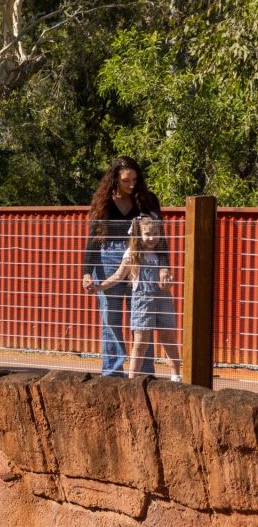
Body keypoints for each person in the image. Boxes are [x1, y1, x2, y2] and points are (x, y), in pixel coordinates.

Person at [81, 156, 170, 377]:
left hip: (140, 260)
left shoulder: (147, 200)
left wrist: (164, 266)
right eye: (125, 180)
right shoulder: (103, 202)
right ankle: (112, 374)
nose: (131, 185)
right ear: (115, 180)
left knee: (142, 318)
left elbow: (159, 235)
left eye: (135, 180)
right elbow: (93, 238)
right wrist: (86, 272)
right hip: (107, 259)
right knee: (110, 318)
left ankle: (143, 375)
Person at [93, 216, 181, 381]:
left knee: (168, 338)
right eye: (147, 234)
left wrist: (169, 280)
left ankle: (176, 376)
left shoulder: (161, 255)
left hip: (163, 301)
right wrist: (99, 287)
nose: (152, 238)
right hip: (142, 302)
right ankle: (133, 380)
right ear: (138, 234)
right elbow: (118, 276)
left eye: (156, 233)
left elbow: (169, 277)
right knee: (140, 342)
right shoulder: (132, 254)